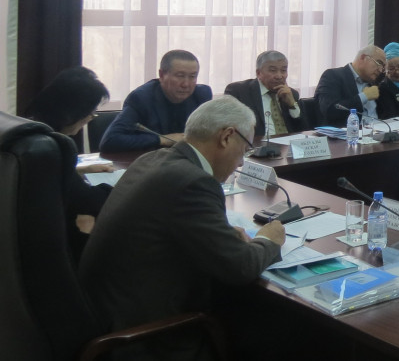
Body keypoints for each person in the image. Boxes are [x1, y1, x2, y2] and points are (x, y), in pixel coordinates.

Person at [80, 97, 285, 359]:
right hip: (142, 340)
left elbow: (166, 230)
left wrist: (219, 237)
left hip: (104, 317)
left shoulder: (152, 159)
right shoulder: (192, 182)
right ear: (226, 137)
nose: (240, 163)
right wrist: (268, 240)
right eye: (244, 149)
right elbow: (241, 267)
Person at [24, 66, 116, 256]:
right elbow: (89, 202)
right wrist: (126, 187)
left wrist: (79, 170)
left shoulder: (28, 128)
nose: (90, 118)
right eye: (90, 112)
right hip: (54, 247)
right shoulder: (54, 146)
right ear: (72, 113)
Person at [100, 50, 213, 152]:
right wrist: (163, 139)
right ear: (162, 75)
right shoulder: (141, 98)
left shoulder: (202, 95)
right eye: (180, 76)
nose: (186, 84)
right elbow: (110, 140)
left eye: (192, 76)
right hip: (150, 162)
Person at [223, 50, 307, 137]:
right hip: (257, 143)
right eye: (273, 70)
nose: (279, 76)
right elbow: (230, 128)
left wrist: (292, 105)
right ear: (258, 73)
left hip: (288, 143)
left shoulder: (291, 94)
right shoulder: (239, 91)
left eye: (283, 70)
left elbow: (304, 130)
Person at [315, 45, 386, 125]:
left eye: (383, 67)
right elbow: (330, 110)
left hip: (380, 130)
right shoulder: (332, 76)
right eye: (379, 63)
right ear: (363, 57)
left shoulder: (374, 83)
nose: (380, 70)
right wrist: (364, 96)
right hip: (350, 131)